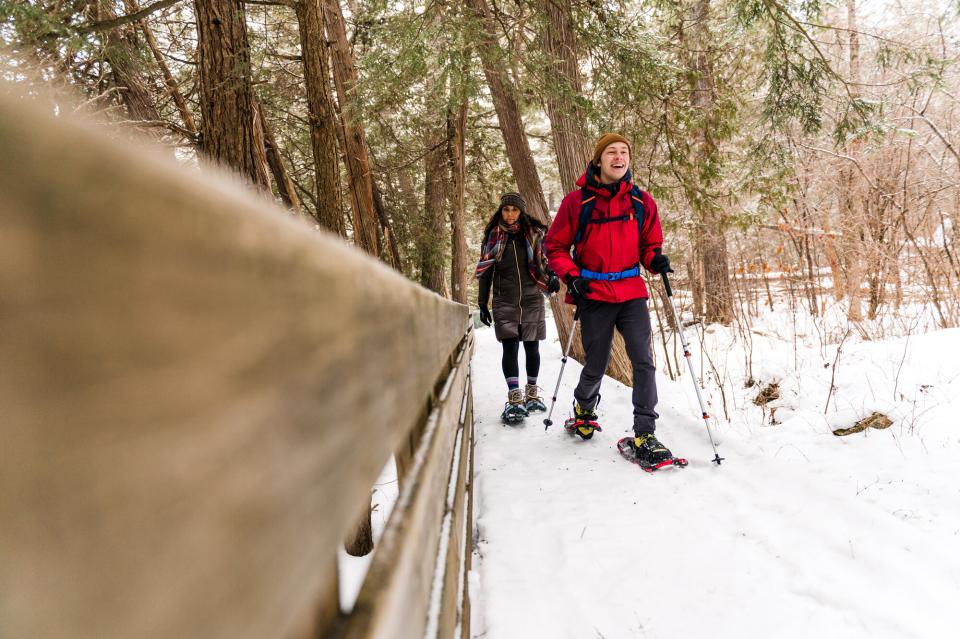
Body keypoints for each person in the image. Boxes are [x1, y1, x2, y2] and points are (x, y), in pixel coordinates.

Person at [544, 133, 676, 465]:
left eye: (624, 152)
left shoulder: (642, 201)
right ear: (599, 159)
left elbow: (649, 244)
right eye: (612, 152)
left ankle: (645, 433)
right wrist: (571, 277)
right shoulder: (577, 202)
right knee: (597, 362)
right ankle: (584, 408)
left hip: (631, 291)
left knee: (643, 361)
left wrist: (655, 259)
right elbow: (555, 246)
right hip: (594, 293)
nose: (619, 157)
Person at [477, 192, 561, 423]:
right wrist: (482, 303)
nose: (510, 214)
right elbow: (485, 272)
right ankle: (514, 400)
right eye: (506, 209)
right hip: (505, 299)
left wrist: (553, 276)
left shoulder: (535, 234)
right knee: (510, 348)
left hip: (532, 298)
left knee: (532, 347)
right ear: (501, 211)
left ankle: (532, 395)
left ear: (521, 212)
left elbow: (549, 260)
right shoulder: (493, 237)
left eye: (514, 210)